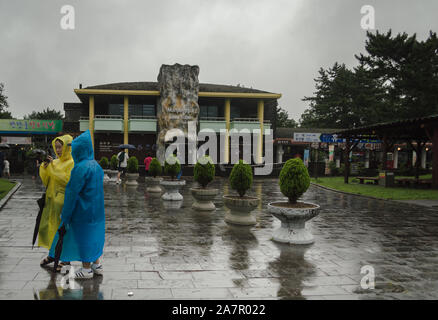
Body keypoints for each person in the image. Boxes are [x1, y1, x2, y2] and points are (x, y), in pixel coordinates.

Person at [50, 130, 105, 279]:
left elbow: (71, 194)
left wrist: (65, 215)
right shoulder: (96, 166)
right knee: (95, 236)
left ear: (79, 150)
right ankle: (96, 265)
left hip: (83, 211)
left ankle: (86, 269)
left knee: (84, 237)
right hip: (97, 211)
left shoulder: (80, 168)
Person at [38, 135, 74, 272]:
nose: (58, 150)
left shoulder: (72, 162)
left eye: (61, 147)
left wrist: (52, 168)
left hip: (65, 202)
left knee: (64, 231)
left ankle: (65, 259)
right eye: (56, 147)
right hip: (52, 202)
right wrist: (45, 167)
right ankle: (53, 255)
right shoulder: (56, 162)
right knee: (52, 229)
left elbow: (67, 180)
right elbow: (46, 179)